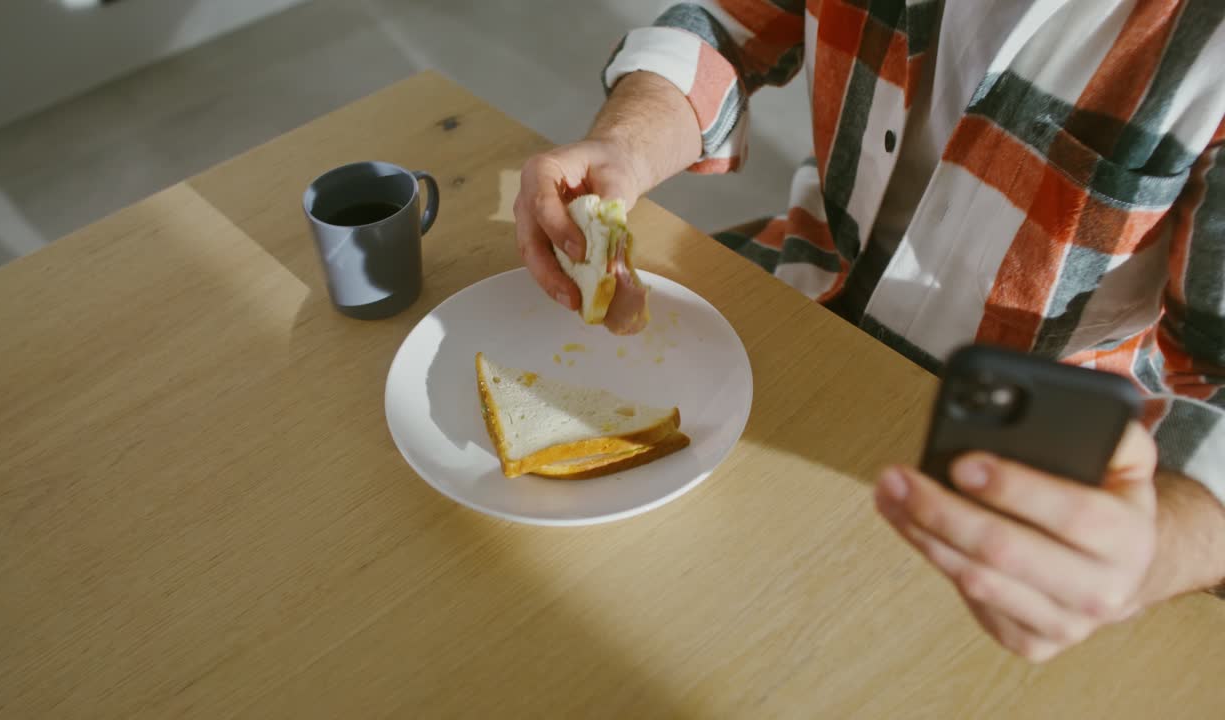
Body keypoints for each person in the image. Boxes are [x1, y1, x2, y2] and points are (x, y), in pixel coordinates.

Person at [514, 1, 1225, 662]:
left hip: (1030, 471)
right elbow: (727, 24)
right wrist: (626, 145)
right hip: (789, 298)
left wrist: (1153, 548)